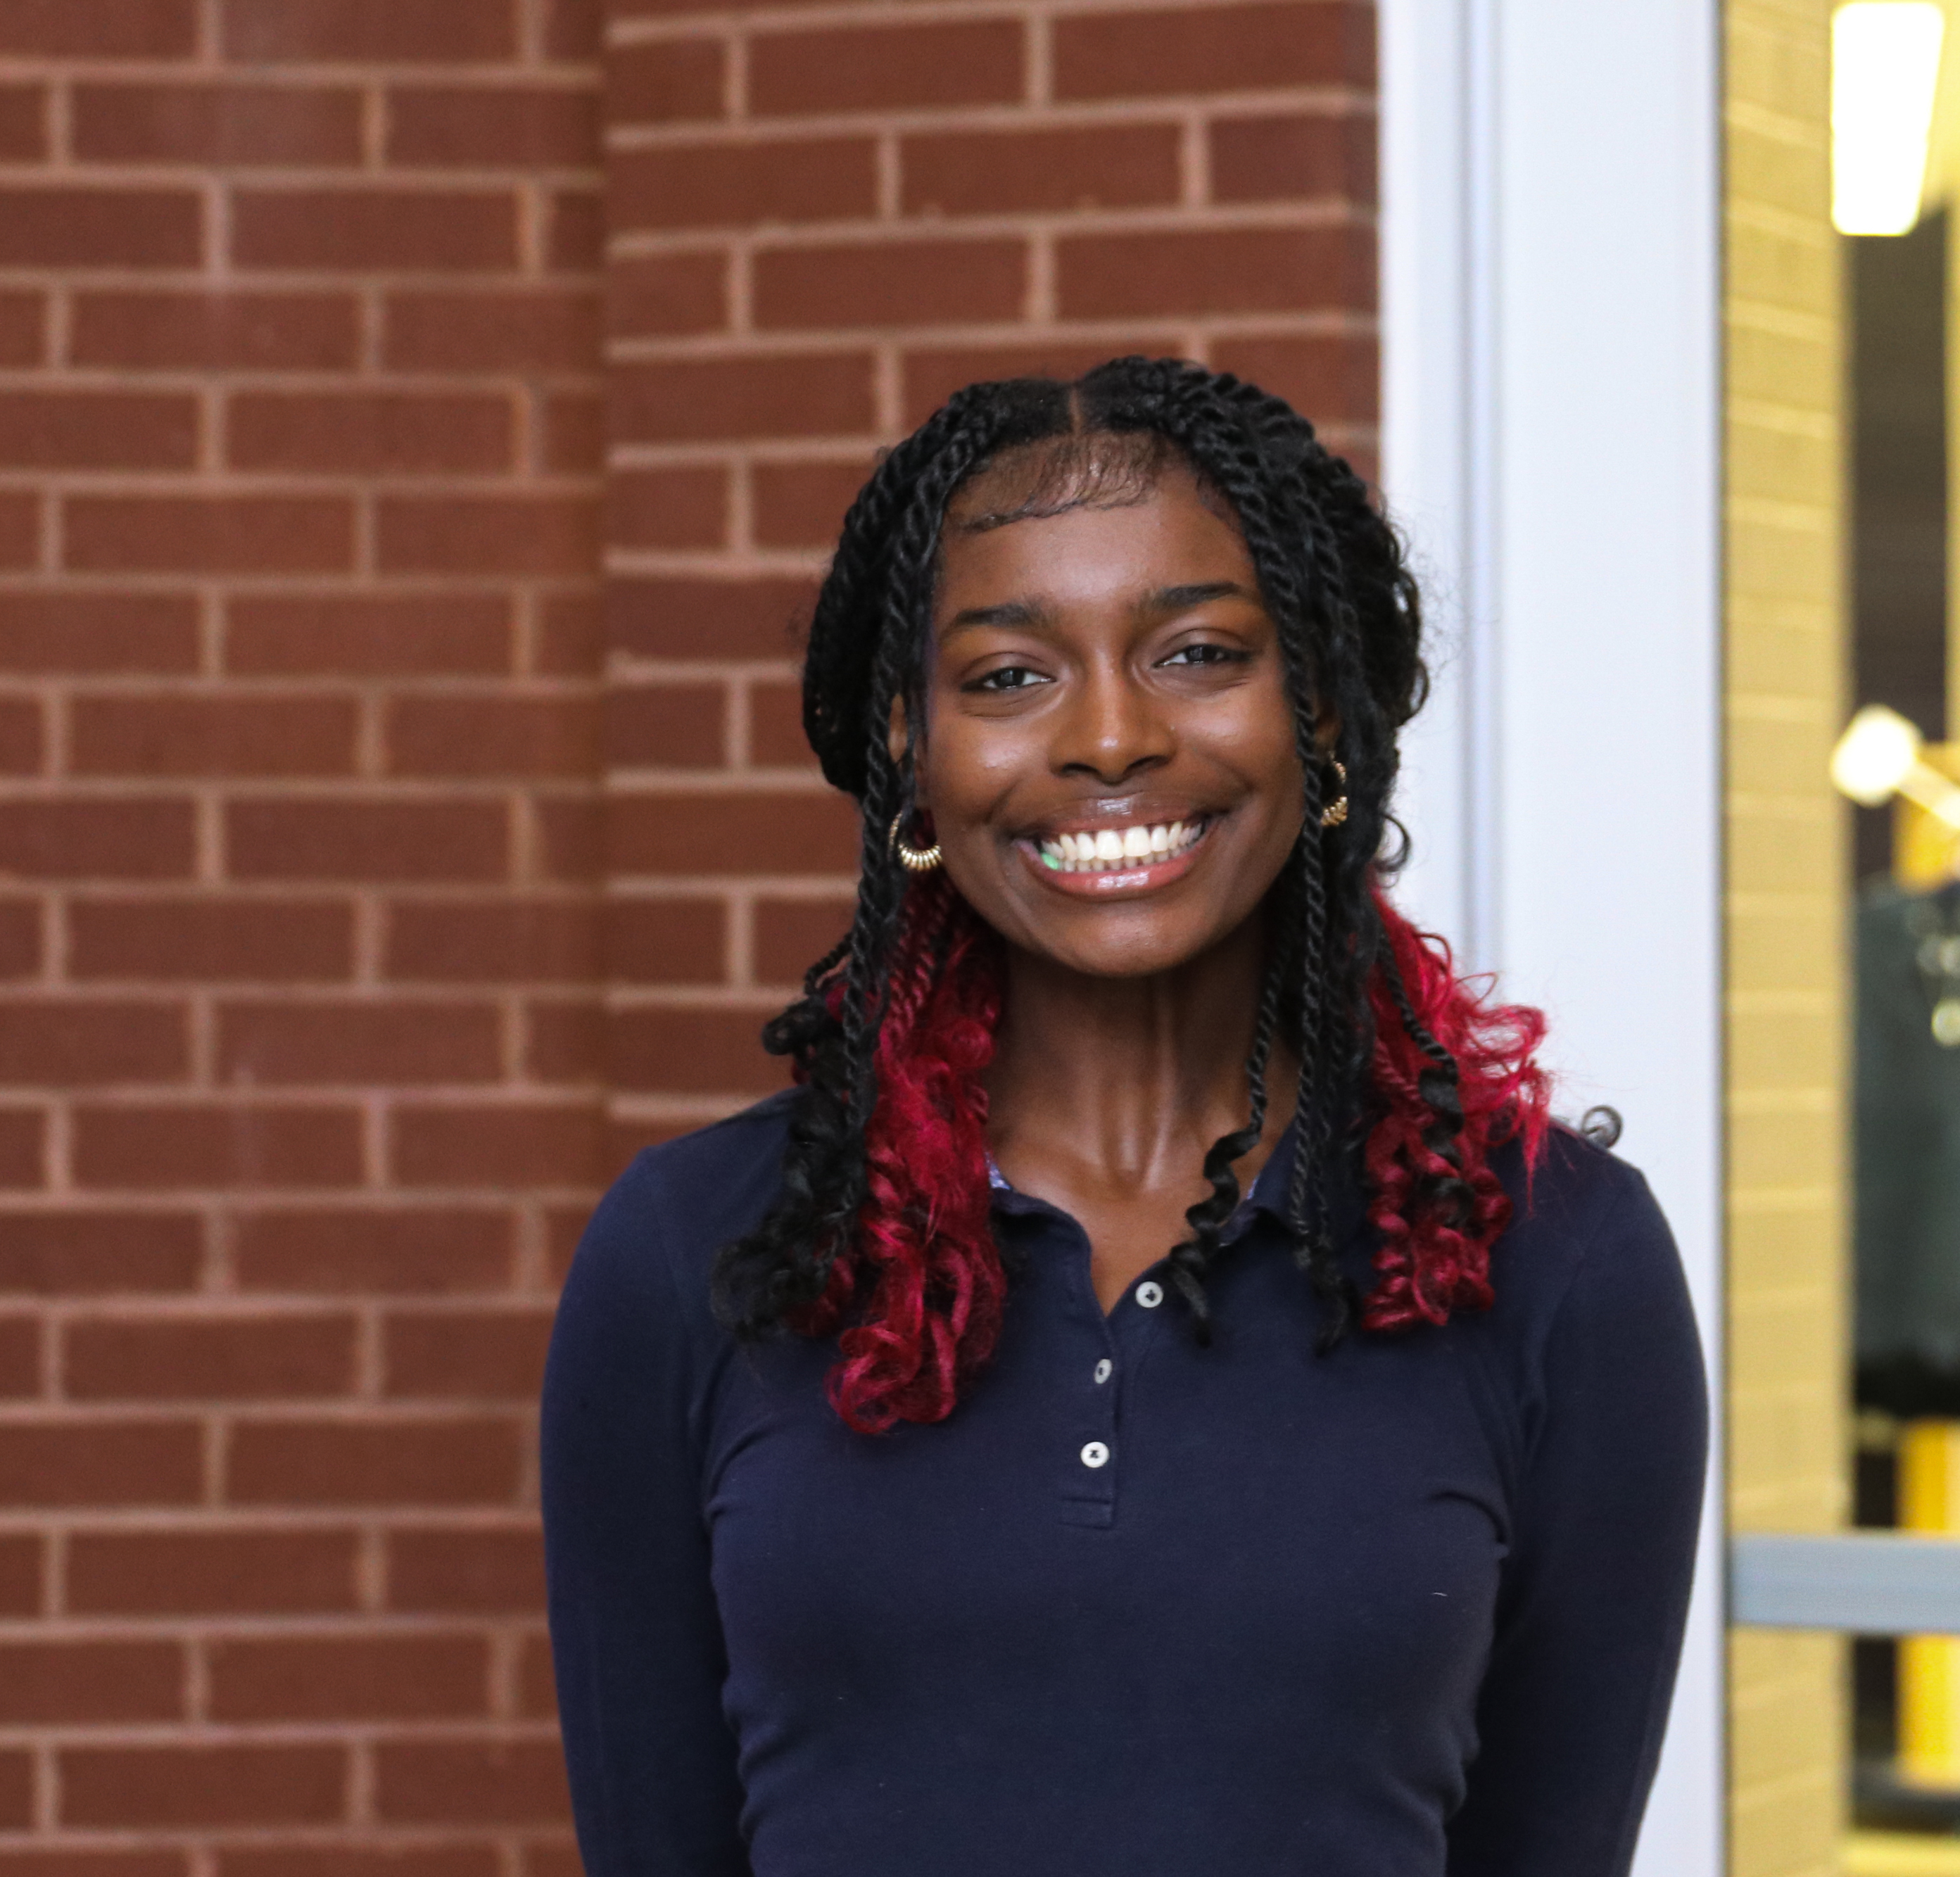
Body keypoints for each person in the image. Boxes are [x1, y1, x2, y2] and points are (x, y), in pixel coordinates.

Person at [541, 357, 1707, 1877]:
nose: (1107, 736)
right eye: (1009, 675)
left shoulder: (1555, 1261)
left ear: (1326, 713)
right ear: (910, 747)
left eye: (1198, 651)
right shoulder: (696, 1252)